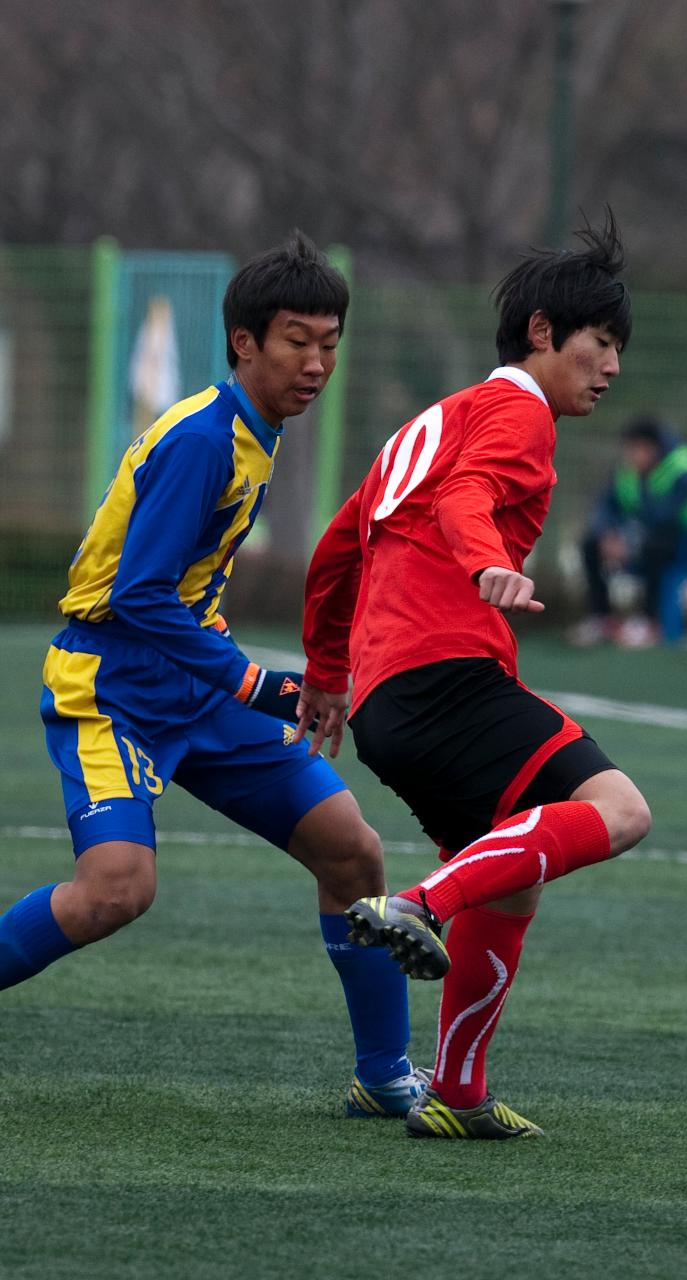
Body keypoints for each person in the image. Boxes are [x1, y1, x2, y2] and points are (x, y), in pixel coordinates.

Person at [0, 232, 427, 1120]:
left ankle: (384, 1078)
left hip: (189, 683)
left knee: (351, 852)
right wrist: (254, 683)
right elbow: (140, 596)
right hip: (112, 685)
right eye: (297, 341)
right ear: (245, 343)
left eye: (330, 342)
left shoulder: (253, 430)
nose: (318, 363)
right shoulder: (203, 438)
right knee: (117, 890)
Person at [295, 213, 652, 1140]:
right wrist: (486, 561)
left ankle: (456, 1096)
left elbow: (336, 553)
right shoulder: (517, 410)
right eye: (600, 342)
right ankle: (418, 902)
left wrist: (330, 673)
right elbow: (465, 498)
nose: (611, 366)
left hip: (385, 701)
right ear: (542, 332)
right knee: (620, 812)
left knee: (513, 879)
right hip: (446, 670)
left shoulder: (430, 420)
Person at [574, 416, 687, 648]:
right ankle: (601, 618)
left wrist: (629, 541)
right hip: (645, 538)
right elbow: (606, 505)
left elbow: (666, 518)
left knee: (656, 547)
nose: (634, 455)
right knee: (590, 544)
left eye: (641, 449)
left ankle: (649, 621)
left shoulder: (684, 467)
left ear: (656, 448)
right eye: (630, 449)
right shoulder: (627, 471)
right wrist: (609, 534)